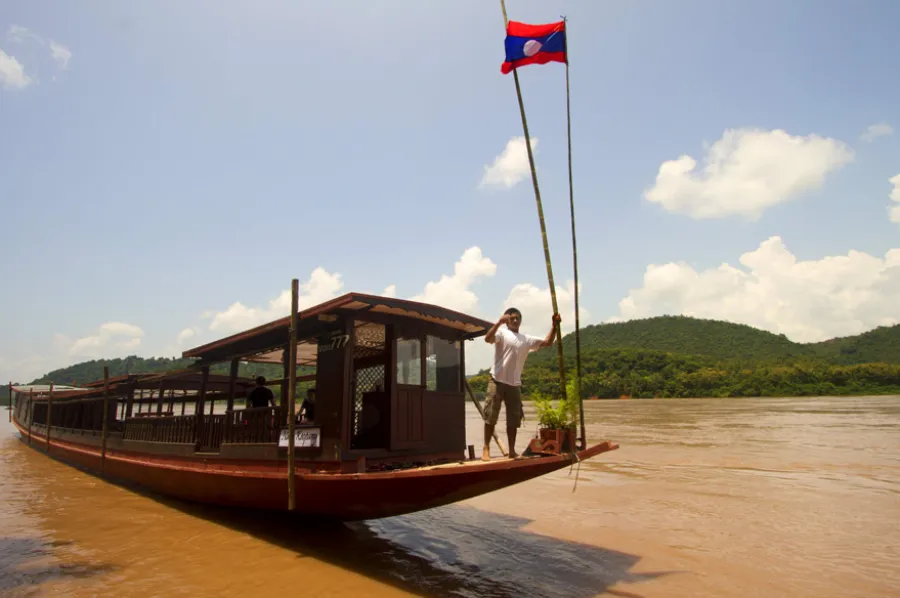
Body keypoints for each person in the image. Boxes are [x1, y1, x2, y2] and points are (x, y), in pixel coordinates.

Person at [482, 307, 560, 461]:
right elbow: (487, 339)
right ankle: (486, 447)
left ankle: (511, 451)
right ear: (507, 320)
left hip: (514, 384)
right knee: (491, 416)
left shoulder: (526, 339)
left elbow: (548, 342)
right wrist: (498, 322)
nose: (515, 320)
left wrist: (554, 326)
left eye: (518, 318)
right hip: (497, 380)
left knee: (514, 419)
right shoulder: (502, 333)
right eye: (512, 318)